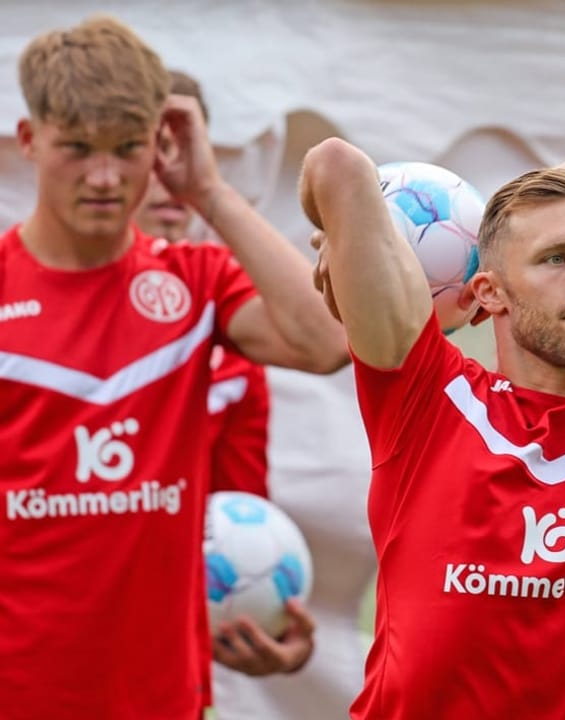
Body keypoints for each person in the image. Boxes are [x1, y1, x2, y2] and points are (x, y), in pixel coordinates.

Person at [0, 16, 349, 720]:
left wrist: (211, 194)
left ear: (159, 147)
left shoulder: (195, 281)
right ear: (31, 141)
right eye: (77, 148)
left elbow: (328, 344)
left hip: (163, 699)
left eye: (128, 149)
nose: (104, 177)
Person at [299, 135, 565, 717]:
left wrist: (519, 209)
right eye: (555, 257)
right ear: (488, 292)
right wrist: (490, 226)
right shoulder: (427, 399)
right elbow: (338, 167)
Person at [134, 69, 271, 500]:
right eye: (153, 153)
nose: (171, 178)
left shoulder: (231, 303)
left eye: (187, 153)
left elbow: (241, 509)